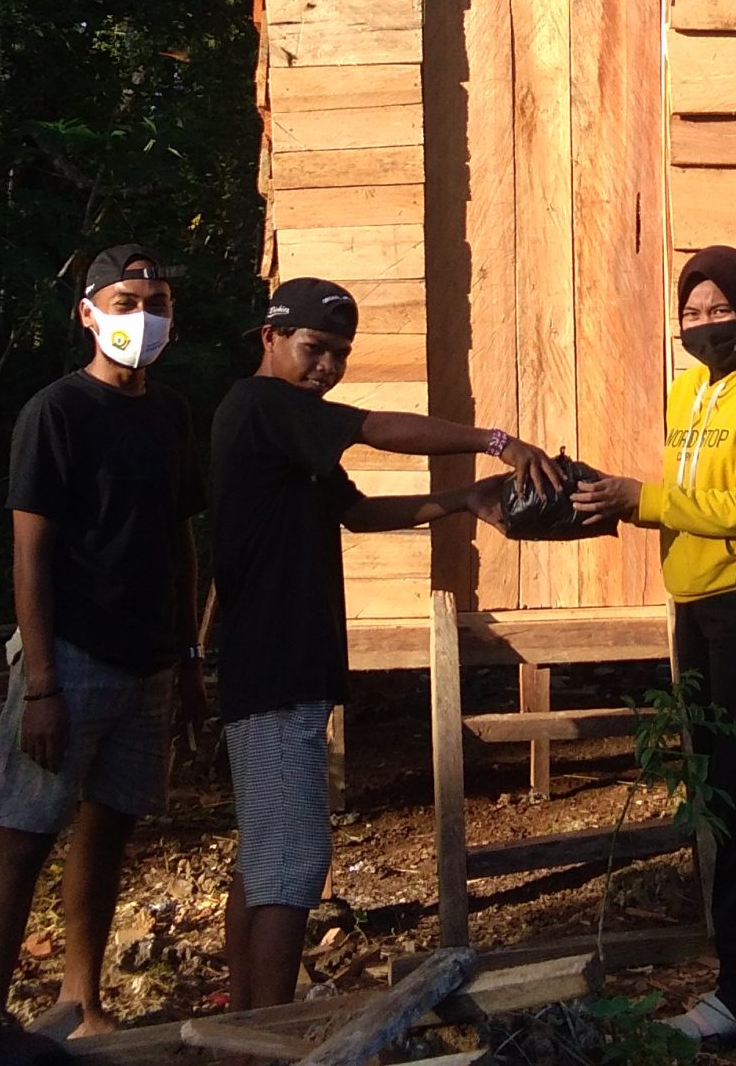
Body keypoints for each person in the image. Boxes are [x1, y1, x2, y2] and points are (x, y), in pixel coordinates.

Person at [210, 276, 564, 1010]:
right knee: (293, 868)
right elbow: (377, 428)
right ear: (269, 337)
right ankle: (266, 1041)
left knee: (263, 862)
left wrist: (465, 501)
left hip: (277, 668)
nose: (327, 367)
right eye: (314, 349)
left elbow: (360, 513)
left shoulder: (284, 431)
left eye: (340, 354)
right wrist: (495, 442)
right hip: (276, 670)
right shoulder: (261, 404)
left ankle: (243, 1029)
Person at [571, 245, 736, 1049]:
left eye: (721, 309)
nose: (706, 325)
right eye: (693, 312)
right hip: (695, 599)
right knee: (717, 790)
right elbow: (692, 495)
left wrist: (640, 499)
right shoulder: (688, 386)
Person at [0, 243, 209, 1038]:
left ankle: (83, 1002)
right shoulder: (55, 413)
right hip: (70, 657)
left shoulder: (170, 413)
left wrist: (191, 655)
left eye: (158, 302)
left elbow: (180, 536)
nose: (144, 318)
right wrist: (41, 684)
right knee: (22, 836)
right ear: (89, 314)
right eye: (128, 302)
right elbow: (30, 552)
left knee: (109, 830)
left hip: (150, 663)